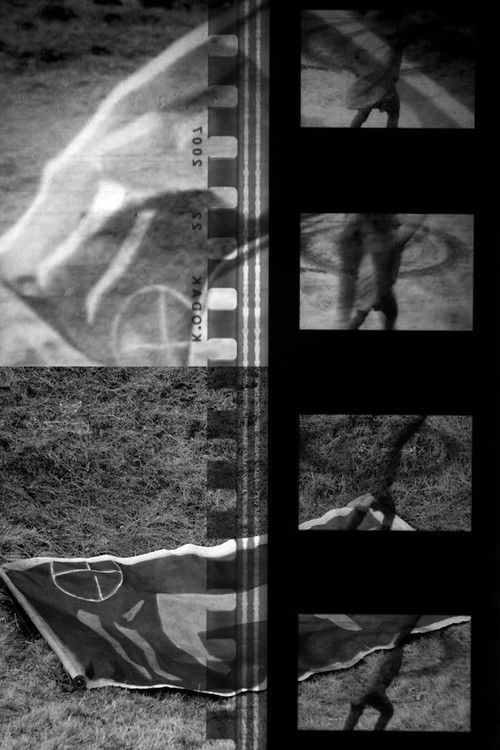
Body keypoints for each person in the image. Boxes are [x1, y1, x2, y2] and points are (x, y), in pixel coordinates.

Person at [336, 213, 403, 330]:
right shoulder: (385, 241)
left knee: (363, 315)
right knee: (390, 313)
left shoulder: (363, 237)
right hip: (375, 281)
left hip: (368, 279)